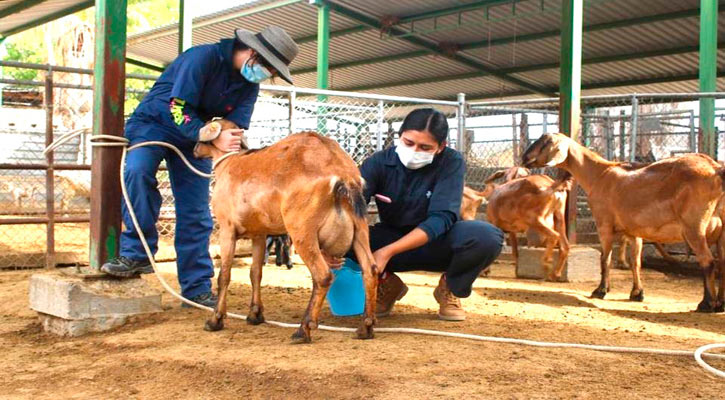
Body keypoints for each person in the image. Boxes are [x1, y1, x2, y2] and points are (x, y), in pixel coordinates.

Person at [101, 26, 299, 308]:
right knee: (137, 171)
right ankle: (136, 253)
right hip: (154, 124)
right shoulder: (201, 58)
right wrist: (211, 134)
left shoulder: (249, 84)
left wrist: (226, 138)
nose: (267, 75)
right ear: (253, 54)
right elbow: (178, 108)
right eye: (268, 67)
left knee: (195, 210)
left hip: (201, 136)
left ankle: (196, 288)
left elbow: (236, 127)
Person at [353, 108, 504, 321]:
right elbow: (351, 207)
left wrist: (387, 252)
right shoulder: (377, 163)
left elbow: (442, 218)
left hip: (438, 241)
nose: (414, 151)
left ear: (441, 147)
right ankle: (388, 284)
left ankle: (449, 287)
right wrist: (332, 247)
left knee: (487, 237)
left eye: (425, 147)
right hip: (391, 236)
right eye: (408, 143)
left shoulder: (451, 162)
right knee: (341, 235)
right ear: (399, 137)